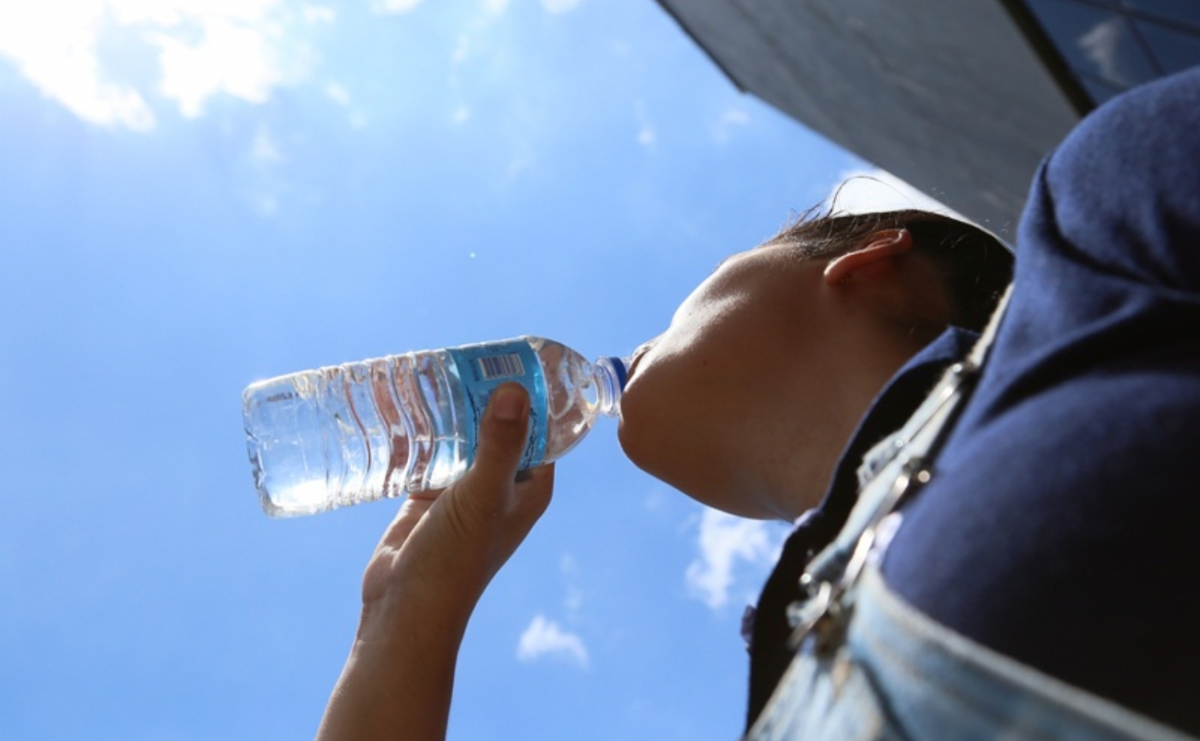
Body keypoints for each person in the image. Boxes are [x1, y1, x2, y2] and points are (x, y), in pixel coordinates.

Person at [314, 66, 1200, 741]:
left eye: (672, 313)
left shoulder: (1090, 272)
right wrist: (403, 620)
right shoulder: (779, 699)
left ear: (863, 262)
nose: (645, 339)